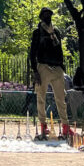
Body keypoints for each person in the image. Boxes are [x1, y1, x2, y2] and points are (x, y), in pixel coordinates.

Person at [29, 8, 72, 140]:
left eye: (50, 14)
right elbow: (32, 52)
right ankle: (43, 125)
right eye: (45, 14)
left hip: (57, 67)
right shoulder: (37, 33)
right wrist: (35, 70)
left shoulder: (56, 32)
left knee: (61, 98)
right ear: (41, 17)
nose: (48, 16)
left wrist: (61, 66)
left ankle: (65, 126)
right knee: (41, 97)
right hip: (43, 66)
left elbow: (60, 50)